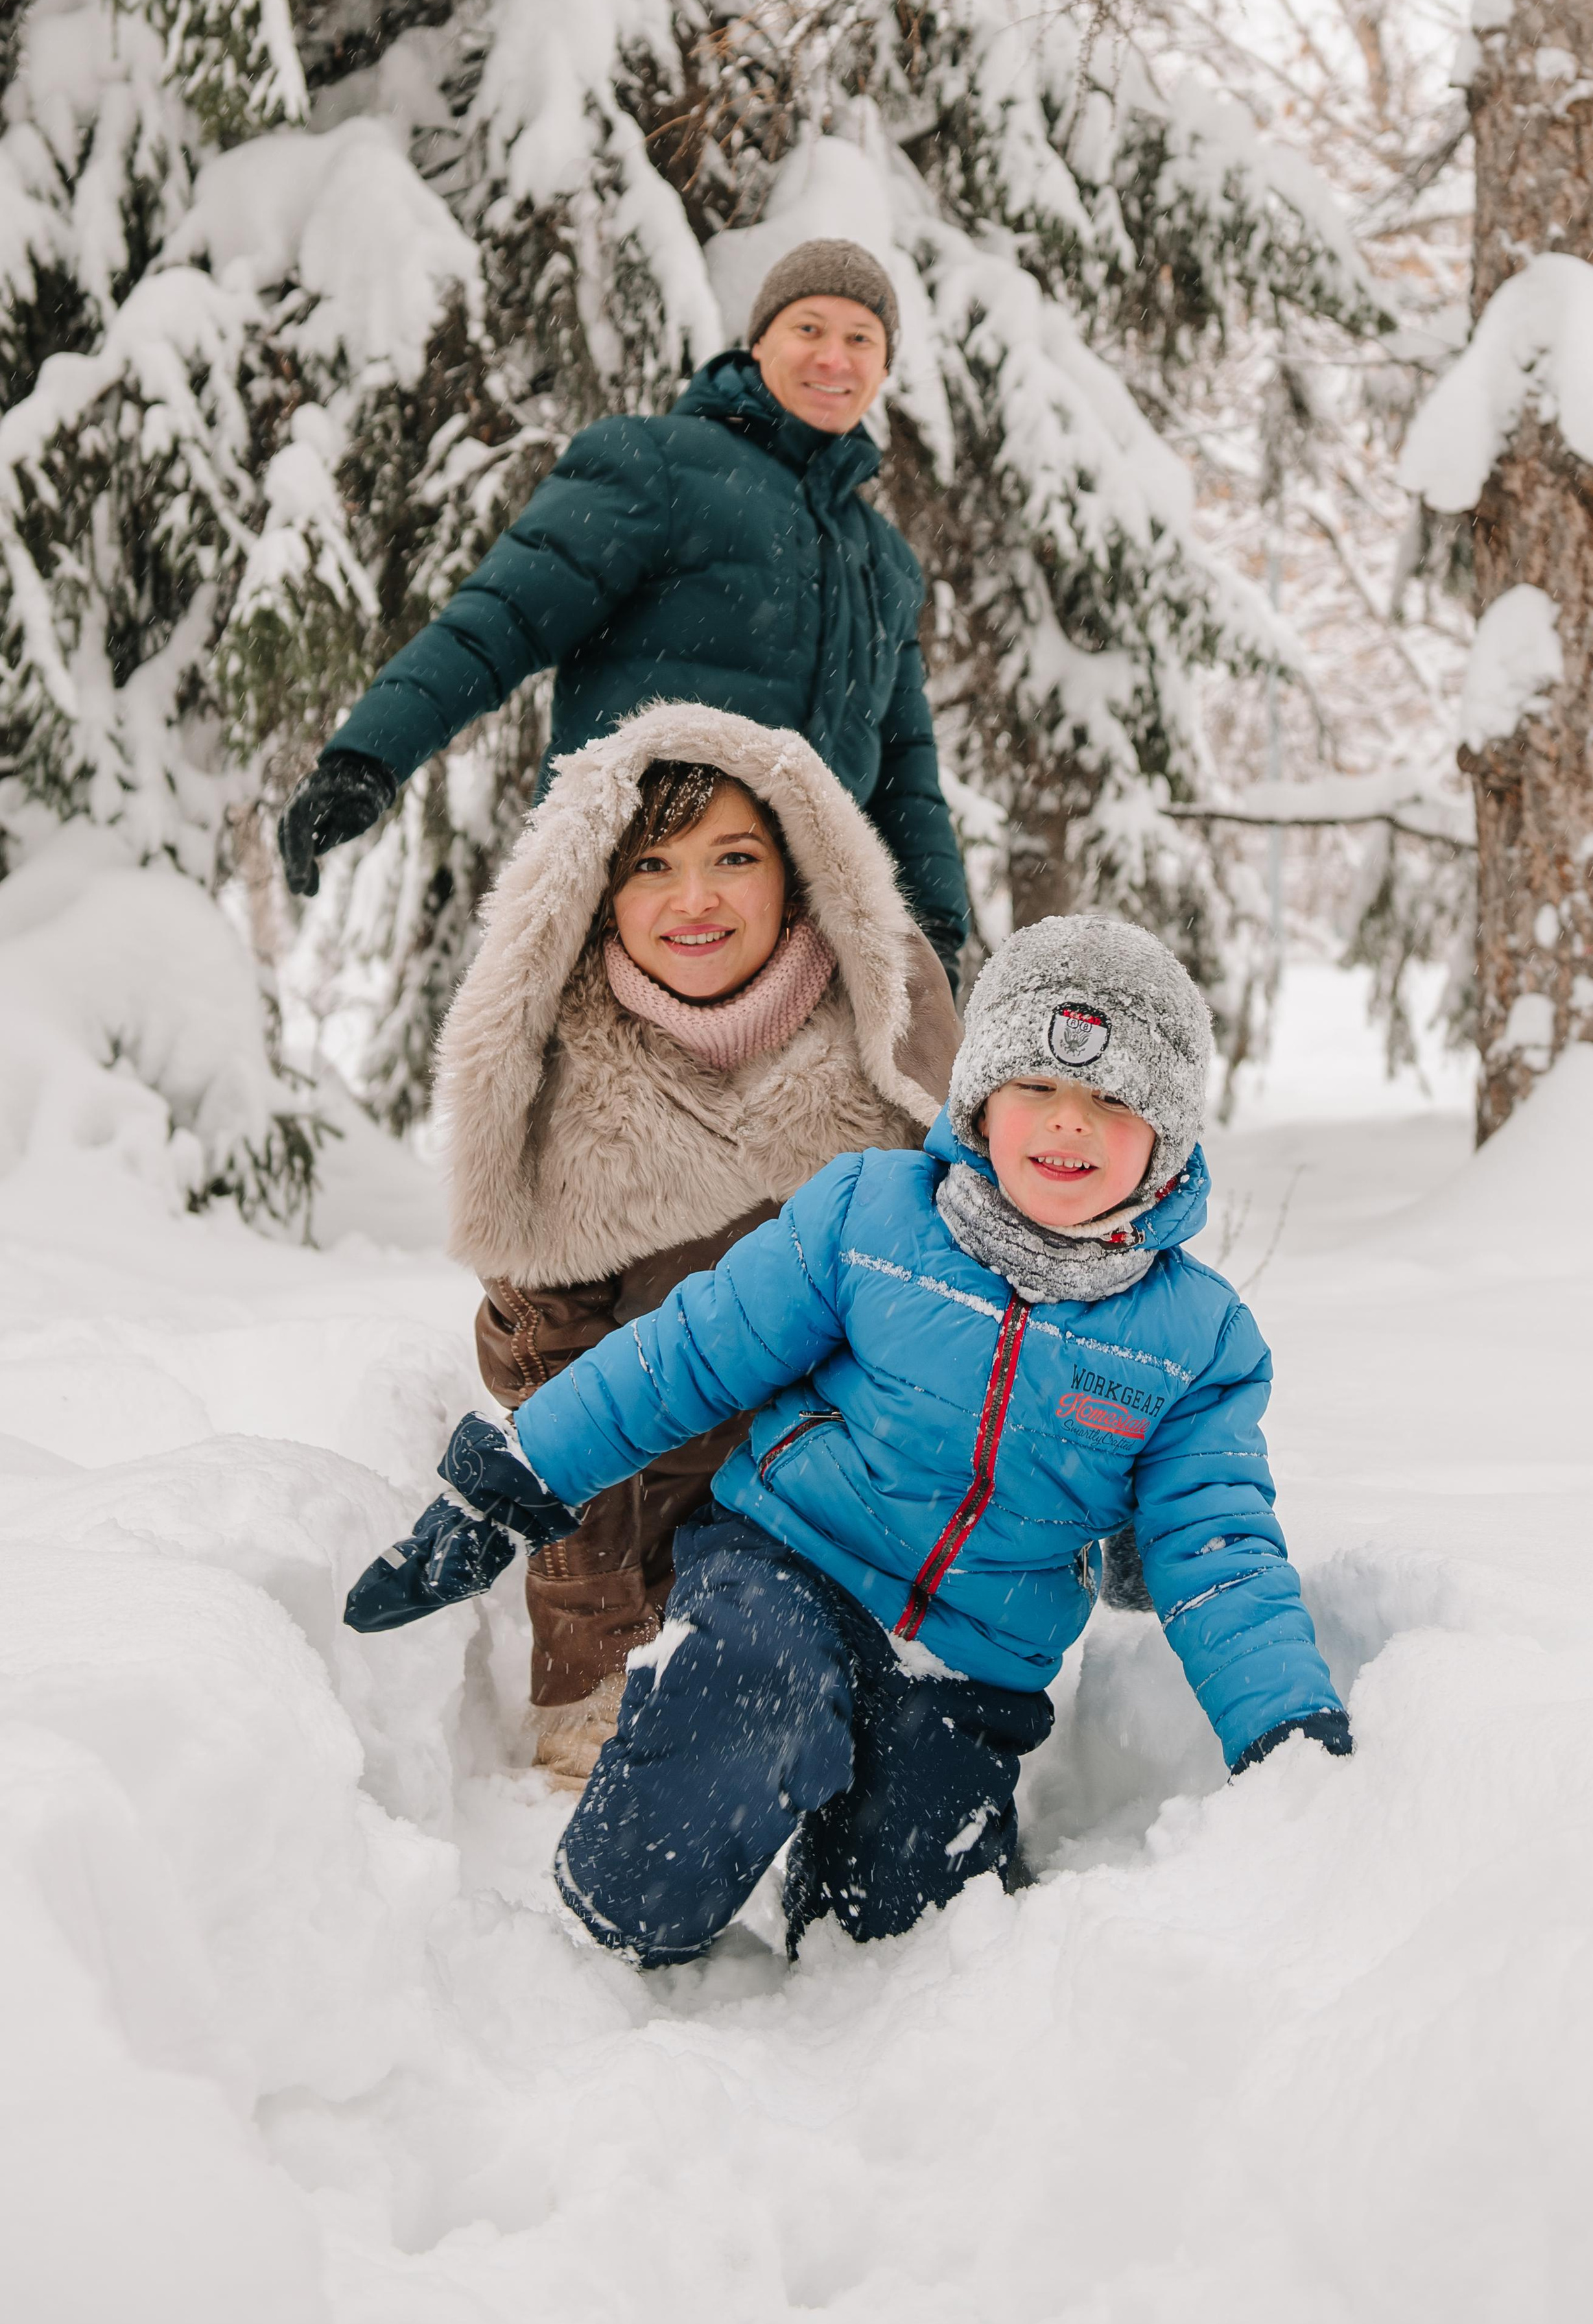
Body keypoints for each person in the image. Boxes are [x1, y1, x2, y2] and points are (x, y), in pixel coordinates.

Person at [484, 913, 1351, 1963]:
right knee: (747, 1695)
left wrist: (1289, 1731)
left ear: (1167, 1141)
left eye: (1112, 1101)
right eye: (1037, 1086)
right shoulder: (872, 1215)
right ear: (981, 1098)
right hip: (786, 1567)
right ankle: (611, 1925)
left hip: (973, 1660)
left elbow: (1220, 1551)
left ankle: (850, 1904)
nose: (1066, 1125)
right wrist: (515, 1474)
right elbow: (686, 1356)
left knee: (903, 1938)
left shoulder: (1195, 1343)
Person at [434, 700, 960, 1785]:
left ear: (802, 868)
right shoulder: (560, 1083)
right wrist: (595, 1651)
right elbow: (556, 1399)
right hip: (665, 1542)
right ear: (599, 895)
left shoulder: (887, 1036)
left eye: (736, 857)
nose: (696, 900)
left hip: (865, 1526)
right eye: (652, 867)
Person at [277, 239, 972, 985]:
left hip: (803, 950)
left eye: (859, 339)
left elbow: (904, 768)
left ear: (885, 369)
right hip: (635, 911)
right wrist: (367, 759)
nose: (834, 358)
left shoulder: (884, 560)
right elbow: (501, 619)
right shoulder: (657, 463)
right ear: (760, 339)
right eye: (809, 328)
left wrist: (934, 932)